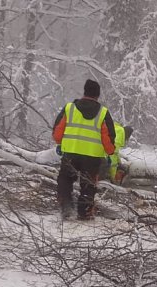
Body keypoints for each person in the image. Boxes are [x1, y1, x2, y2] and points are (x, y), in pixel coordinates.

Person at [52, 79, 116, 220]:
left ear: (84, 92)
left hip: (70, 153)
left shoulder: (70, 108)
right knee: (88, 185)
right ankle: (84, 212)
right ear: (97, 95)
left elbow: (57, 133)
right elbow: (108, 139)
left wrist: (61, 143)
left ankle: (66, 207)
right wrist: (110, 152)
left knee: (65, 180)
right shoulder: (103, 113)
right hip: (92, 158)